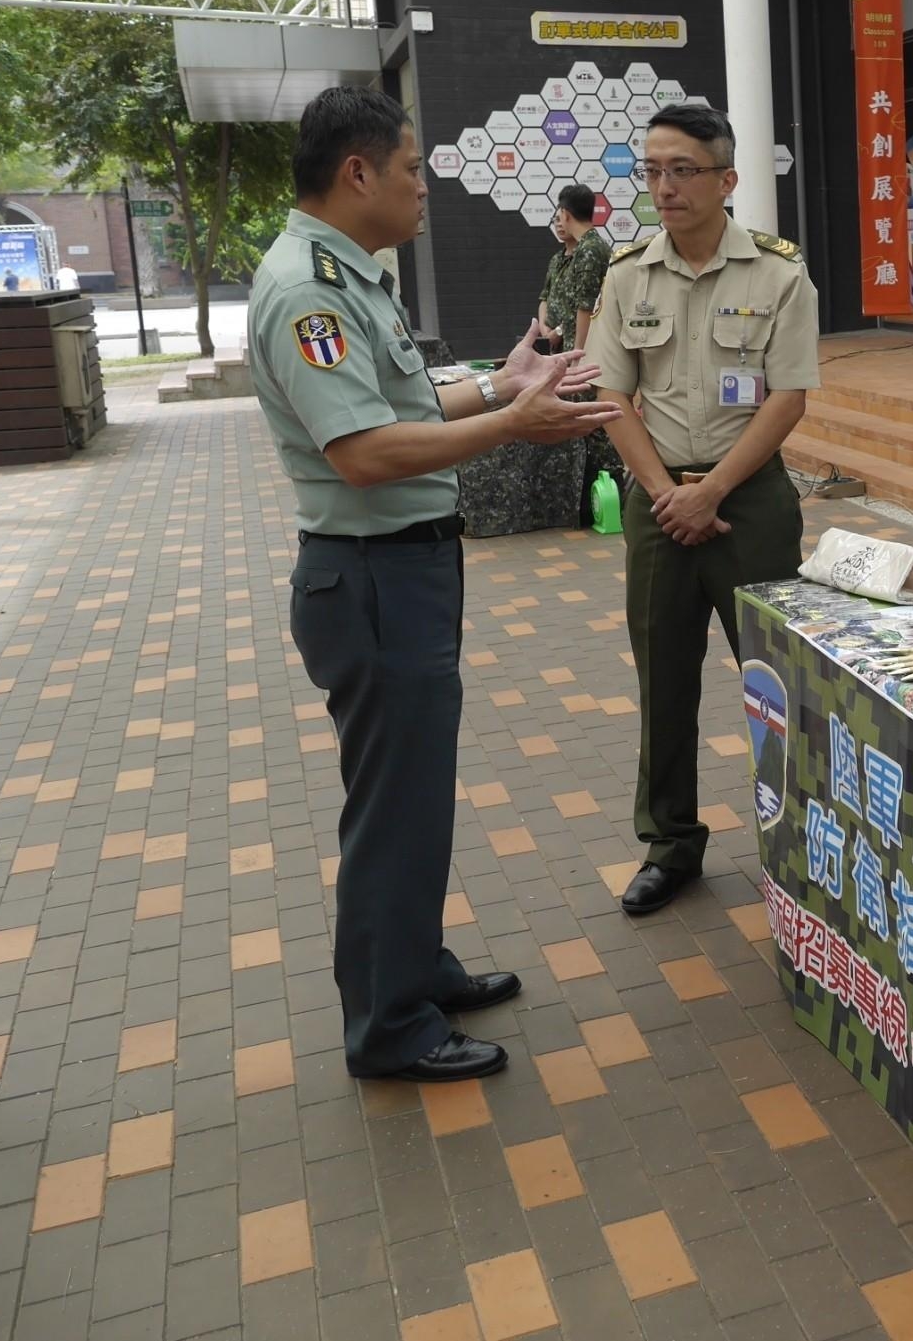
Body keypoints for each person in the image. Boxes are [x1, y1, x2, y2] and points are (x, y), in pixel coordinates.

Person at [248, 86, 622, 1082]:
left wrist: (505, 383)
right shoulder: (310, 291)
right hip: (373, 580)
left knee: (414, 799)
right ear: (356, 172)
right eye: (411, 168)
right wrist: (513, 426)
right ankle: (389, 1026)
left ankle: (414, 967)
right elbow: (364, 451)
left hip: (402, 573)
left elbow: (402, 400)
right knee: (393, 809)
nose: (424, 186)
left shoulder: (343, 273)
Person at [587, 104, 818, 917]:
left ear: (727, 179)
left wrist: (712, 490)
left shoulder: (779, 273)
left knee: (775, 680)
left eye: (682, 169)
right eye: (651, 170)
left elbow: (788, 397)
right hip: (659, 502)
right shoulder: (626, 275)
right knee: (664, 678)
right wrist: (665, 494)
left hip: (747, 503)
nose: (663, 186)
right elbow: (611, 395)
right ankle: (671, 844)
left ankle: (802, 839)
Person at [540, 182, 608, 355]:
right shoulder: (586, 246)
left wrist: (578, 355)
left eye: (559, 215)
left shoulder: (589, 249)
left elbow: (586, 307)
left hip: (586, 351)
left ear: (565, 214)